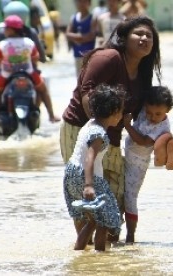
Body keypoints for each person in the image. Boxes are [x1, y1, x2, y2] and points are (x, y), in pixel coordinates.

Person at [60, 15, 162, 242]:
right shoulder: (108, 58)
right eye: (139, 34)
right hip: (81, 129)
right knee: (86, 193)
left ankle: (105, 251)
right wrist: (99, 131)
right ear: (124, 38)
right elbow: (87, 94)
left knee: (116, 196)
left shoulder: (144, 73)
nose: (144, 38)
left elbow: (146, 116)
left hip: (113, 136)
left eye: (149, 36)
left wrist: (162, 138)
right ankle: (87, 254)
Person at [63, 83, 124, 251]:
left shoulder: (89, 124)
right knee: (104, 220)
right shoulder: (99, 134)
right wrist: (89, 185)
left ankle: (79, 252)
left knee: (93, 221)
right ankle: (100, 255)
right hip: (88, 177)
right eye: (121, 111)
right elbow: (90, 158)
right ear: (113, 113)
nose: (122, 115)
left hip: (71, 173)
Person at [123, 86, 173, 243]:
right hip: (125, 153)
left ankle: (130, 236)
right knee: (118, 190)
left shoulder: (162, 127)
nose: (152, 117)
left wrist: (127, 125)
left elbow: (142, 141)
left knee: (130, 197)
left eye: (158, 114)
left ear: (167, 110)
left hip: (138, 162)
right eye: (149, 112)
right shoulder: (145, 109)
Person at [0, 1, 60, 123]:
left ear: (11, 29)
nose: (4, 30)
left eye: (6, 28)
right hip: (28, 73)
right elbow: (36, 56)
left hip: (6, 74)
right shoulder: (29, 40)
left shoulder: (3, 43)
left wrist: (1, 62)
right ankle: (51, 116)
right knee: (43, 90)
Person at [66, 0, 98, 77]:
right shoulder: (74, 18)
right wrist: (82, 37)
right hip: (77, 55)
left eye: (84, 1)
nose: (81, 4)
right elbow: (67, 34)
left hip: (88, 57)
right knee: (79, 80)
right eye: (79, 1)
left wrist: (75, 38)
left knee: (88, 80)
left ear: (89, 3)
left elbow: (91, 36)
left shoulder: (93, 18)